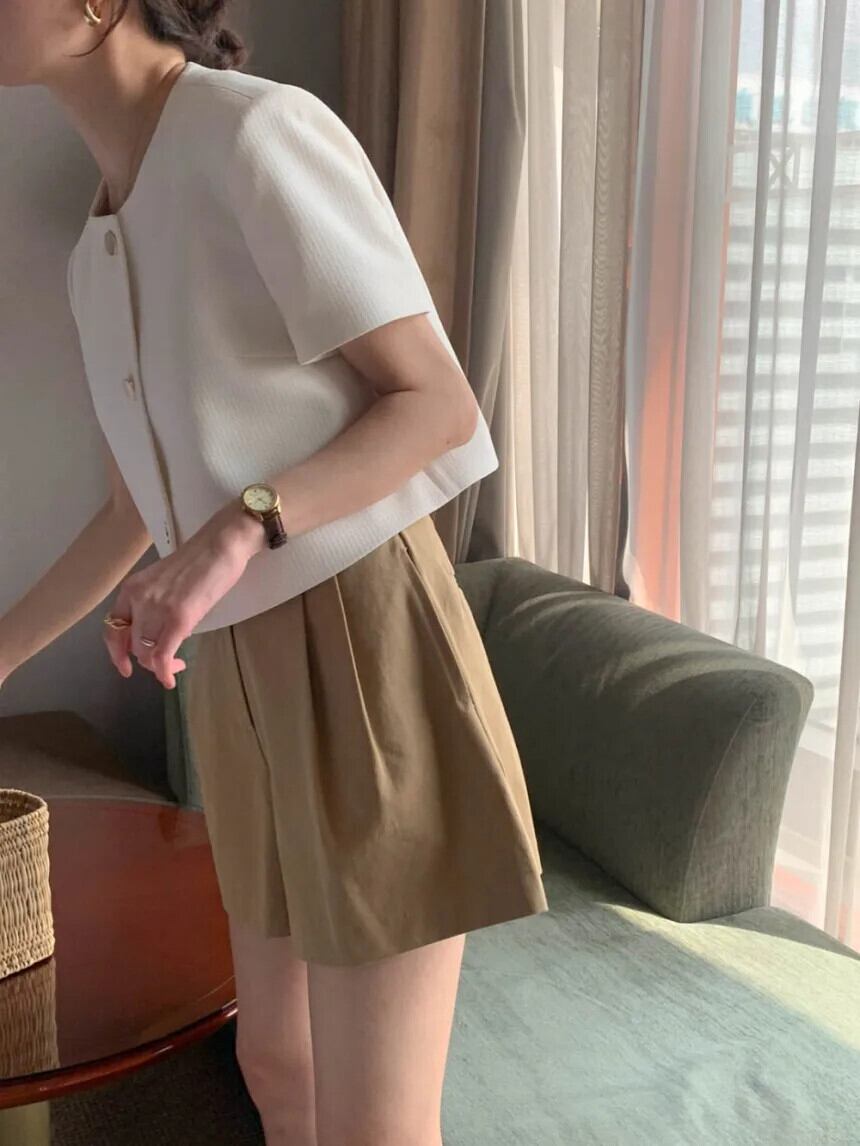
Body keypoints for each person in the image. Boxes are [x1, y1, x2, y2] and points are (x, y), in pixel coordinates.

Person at [0, 2, 548, 1143]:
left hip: (365, 646)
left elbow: (436, 403)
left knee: (373, 1123)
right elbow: (130, 513)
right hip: (235, 678)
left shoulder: (253, 133)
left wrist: (237, 530)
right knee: (277, 1065)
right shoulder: (99, 243)